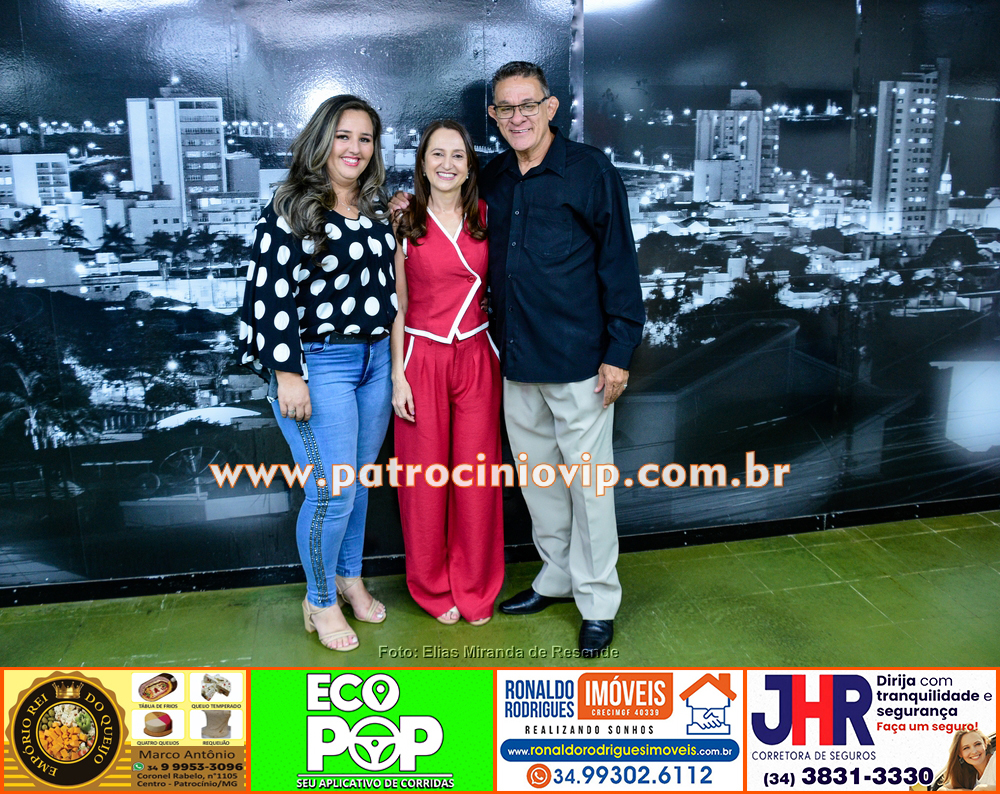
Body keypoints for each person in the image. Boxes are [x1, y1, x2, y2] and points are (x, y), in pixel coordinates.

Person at [484, 61, 644, 657]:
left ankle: (597, 601)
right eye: (506, 108)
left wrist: (619, 353)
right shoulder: (493, 176)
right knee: (541, 485)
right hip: (516, 359)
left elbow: (619, 264)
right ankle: (555, 578)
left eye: (528, 105)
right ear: (494, 115)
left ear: (550, 108)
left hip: (581, 363)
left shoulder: (590, 171)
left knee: (590, 491)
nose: (517, 117)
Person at [238, 95, 398, 652]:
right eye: (343, 136)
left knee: (355, 485)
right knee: (332, 492)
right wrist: (287, 373)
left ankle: (349, 578)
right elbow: (267, 293)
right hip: (319, 363)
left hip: (375, 361)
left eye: (365, 138)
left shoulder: (374, 207)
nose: (355, 148)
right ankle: (320, 599)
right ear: (322, 140)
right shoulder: (292, 206)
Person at [390, 120, 504, 626]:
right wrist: (398, 377)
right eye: (437, 154)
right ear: (422, 163)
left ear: (470, 166)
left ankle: (476, 587)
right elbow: (398, 307)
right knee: (424, 483)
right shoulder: (404, 221)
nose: (447, 164)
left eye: (458, 155)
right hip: (422, 358)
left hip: (477, 356)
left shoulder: (487, 217)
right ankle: (433, 587)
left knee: (476, 480)